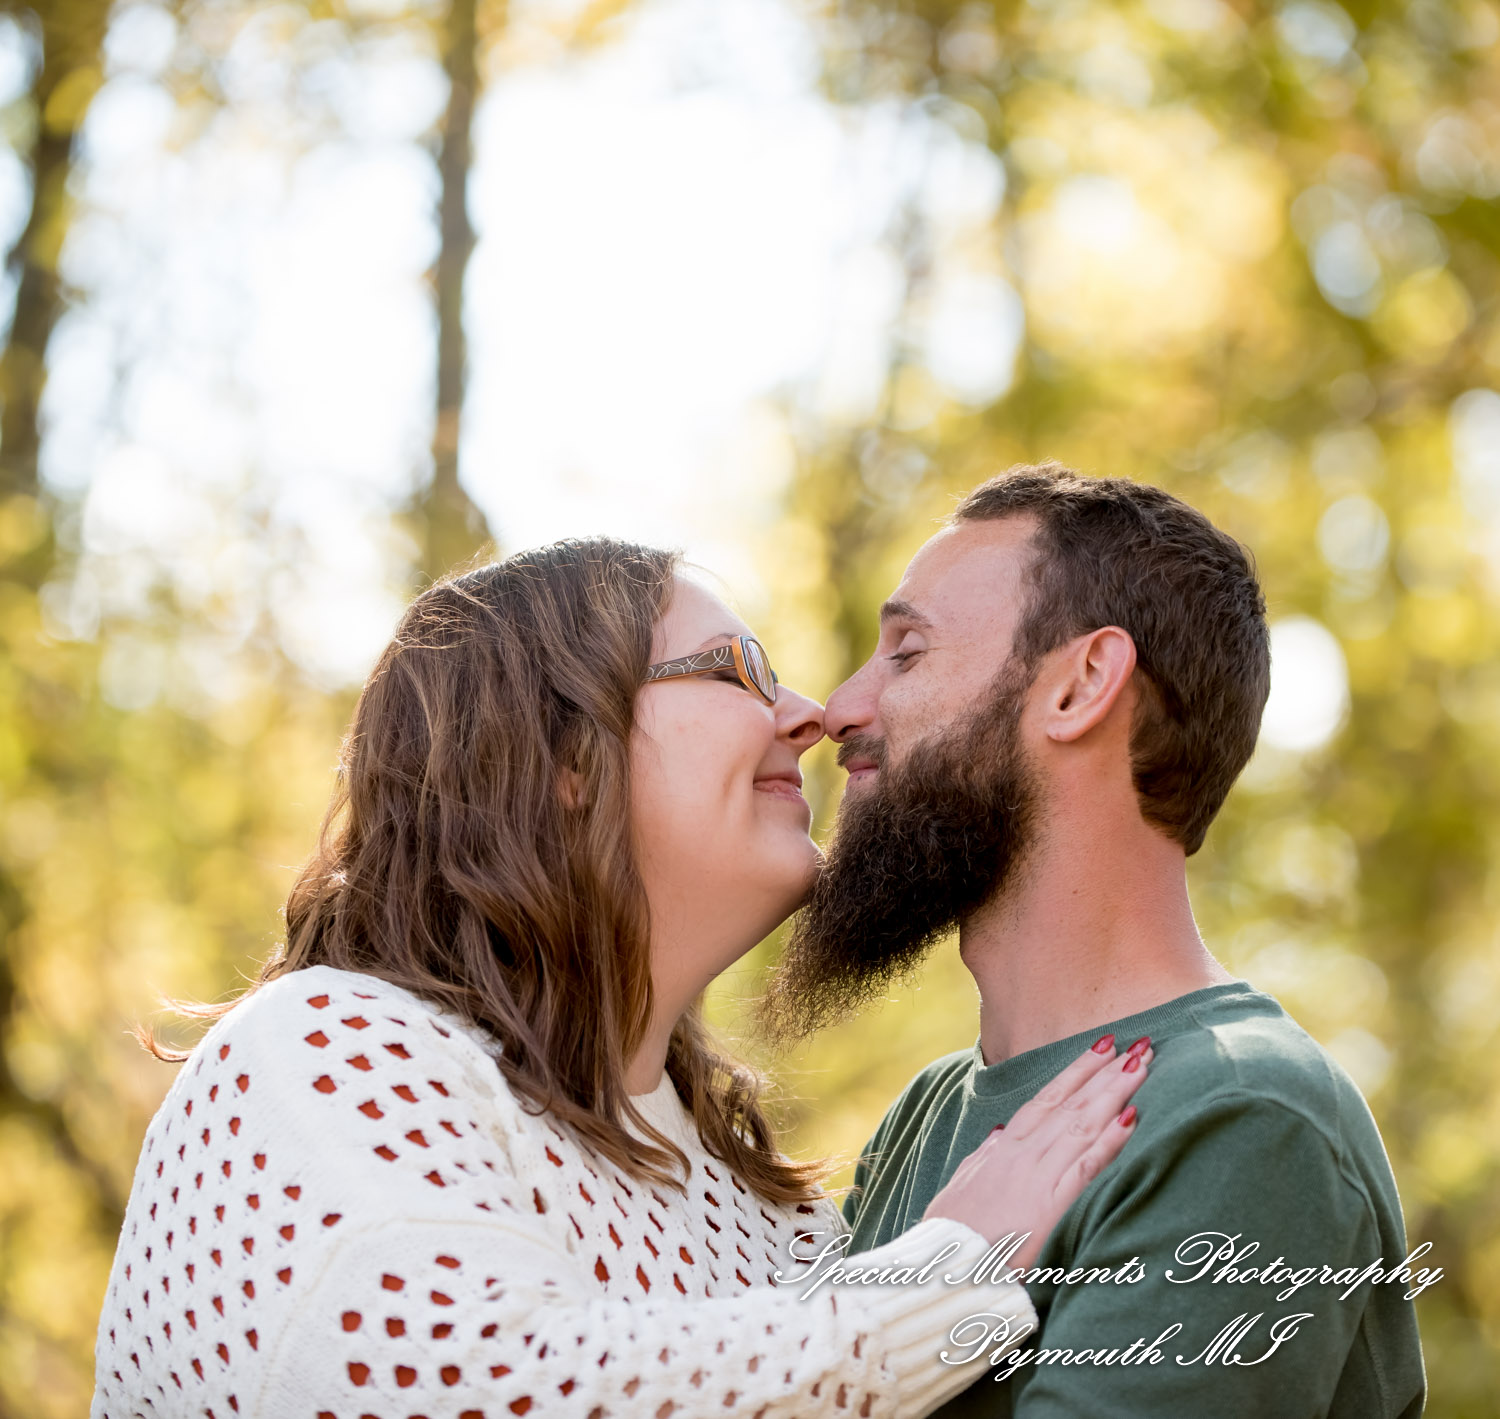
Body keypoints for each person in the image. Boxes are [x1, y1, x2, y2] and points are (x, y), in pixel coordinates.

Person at [91, 536, 1152, 1419]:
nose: (810, 714)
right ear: (563, 756)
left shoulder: (761, 1207)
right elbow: (479, 1390)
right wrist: (948, 1272)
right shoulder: (320, 1052)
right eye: (735, 670)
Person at [763, 463, 1427, 1418]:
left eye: (906, 653)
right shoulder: (931, 1111)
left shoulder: (1244, 1117)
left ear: (1080, 686)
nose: (841, 708)